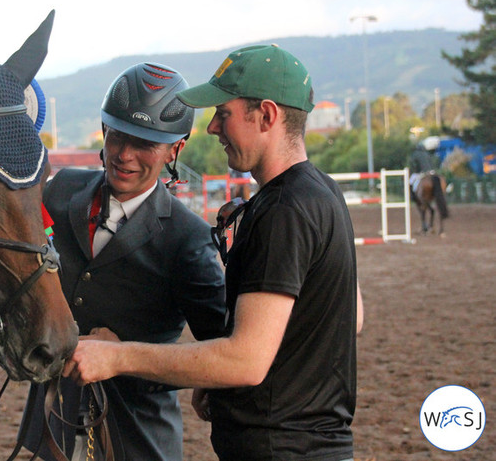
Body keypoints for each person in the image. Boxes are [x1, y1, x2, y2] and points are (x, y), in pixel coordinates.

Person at [64, 45, 360, 461]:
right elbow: (352, 314)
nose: (212, 128)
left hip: (281, 448)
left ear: (268, 115)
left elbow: (245, 362)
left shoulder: (282, 212)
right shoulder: (323, 191)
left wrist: (117, 356)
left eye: (223, 114)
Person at [20, 62, 226, 461]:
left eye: (146, 144)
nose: (125, 155)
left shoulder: (188, 239)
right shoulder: (61, 191)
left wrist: (127, 356)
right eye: (118, 137)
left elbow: (217, 355)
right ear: (104, 131)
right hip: (50, 429)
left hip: (136, 439)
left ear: (175, 149)